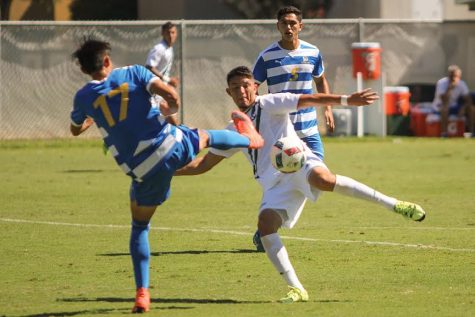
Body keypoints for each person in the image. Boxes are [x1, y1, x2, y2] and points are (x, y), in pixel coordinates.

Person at [176, 66, 426, 303]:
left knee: (323, 179)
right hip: (274, 184)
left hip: (299, 161)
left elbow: (309, 99)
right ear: (228, 93)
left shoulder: (270, 103)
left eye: (245, 85)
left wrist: (347, 101)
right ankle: (296, 288)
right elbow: (202, 165)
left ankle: (394, 205)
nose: (242, 91)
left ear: (255, 86)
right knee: (265, 225)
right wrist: (162, 171)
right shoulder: (233, 130)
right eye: (235, 87)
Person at [70, 39, 263, 313]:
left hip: (140, 169)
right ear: (107, 61)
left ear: (84, 69)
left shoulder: (83, 98)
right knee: (205, 136)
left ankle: (142, 293)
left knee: (139, 227)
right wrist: (167, 109)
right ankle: (250, 140)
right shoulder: (134, 73)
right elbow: (172, 96)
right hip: (169, 145)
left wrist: (93, 118)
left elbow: (75, 129)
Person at [251, 5, 334, 250]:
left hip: (309, 130)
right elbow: (252, 89)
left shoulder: (313, 52)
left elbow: (321, 80)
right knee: (280, 183)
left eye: (292, 23)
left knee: (314, 179)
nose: (289, 27)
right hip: (281, 133)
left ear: (301, 26)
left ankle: (267, 227)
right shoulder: (266, 56)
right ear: (278, 26)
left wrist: (327, 109)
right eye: (284, 23)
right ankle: (264, 230)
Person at [432, 65, 473, 136]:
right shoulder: (441, 83)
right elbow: (444, 101)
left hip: (454, 106)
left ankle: (472, 133)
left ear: (459, 76)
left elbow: (468, 100)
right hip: (440, 106)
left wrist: (463, 108)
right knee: (445, 109)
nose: (454, 78)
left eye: (456, 76)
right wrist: (450, 88)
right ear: (449, 75)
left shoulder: (462, 84)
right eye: (452, 76)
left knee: (472, 109)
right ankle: (444, 133)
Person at [145, 21, 179, 88]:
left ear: (176, 34)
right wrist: (168, 80)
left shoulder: (169, 48)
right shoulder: (159, 48)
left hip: (162, 86)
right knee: (175, 98)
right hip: (154, 88)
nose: (170, 35)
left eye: (173, 32)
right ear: (162, 33)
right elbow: (149, 67)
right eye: (168, 32)